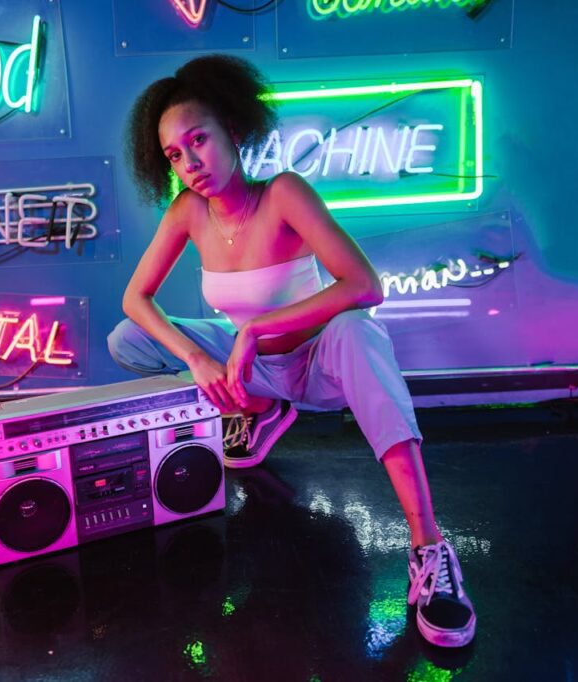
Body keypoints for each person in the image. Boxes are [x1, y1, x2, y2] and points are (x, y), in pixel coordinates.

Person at [106, 54, 475, 648]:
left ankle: (429, 550)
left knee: (358, 329)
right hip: (253, 372)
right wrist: (200, 358)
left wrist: (254, 330)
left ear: (233, 128)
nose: (190, 162)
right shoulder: (187, 213)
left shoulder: (283, 193)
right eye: (174, 154)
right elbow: (135, 299)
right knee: (130, 339)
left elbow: (364, 286)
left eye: (198, 140)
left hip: (315, 363)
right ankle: (257, 410)